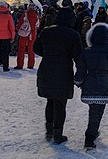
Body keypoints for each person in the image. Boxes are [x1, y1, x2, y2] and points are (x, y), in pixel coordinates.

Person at [34, 7, 82, 143]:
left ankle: (49, 131)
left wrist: (49, 55)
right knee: (60, 103)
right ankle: (58, 133)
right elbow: (78, 56)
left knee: (50, 101)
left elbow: (36, 48)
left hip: (47, 69)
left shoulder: (46, 31)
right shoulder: (73, 35)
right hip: (64, 71)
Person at [73, 22, 108, 149]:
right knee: (98, 110)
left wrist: (78, 81)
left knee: (93, 110)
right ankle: (90, 136)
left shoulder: (86, 52)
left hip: (89, 83)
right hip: (105, 84)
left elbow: (81, 69)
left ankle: (93, 132)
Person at [0, 3, 15, 72]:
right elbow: (11, 28)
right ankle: (5, 67)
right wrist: (12, 37)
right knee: (5, 52)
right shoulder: (8, 16)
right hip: (6, 36)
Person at [16, 3, 40, 69]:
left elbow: (20, 24)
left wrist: (18, 29)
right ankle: (30, 65)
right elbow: (38, 26)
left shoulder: (25, 15)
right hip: (32, 35)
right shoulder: (36, 16)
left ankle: (20, 64)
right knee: (31, 50)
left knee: (21, 49)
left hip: (24, 34)